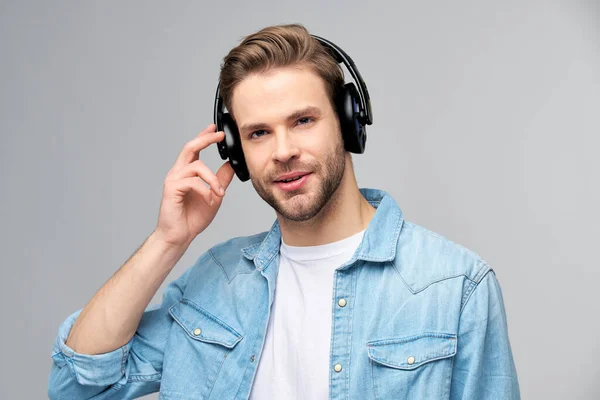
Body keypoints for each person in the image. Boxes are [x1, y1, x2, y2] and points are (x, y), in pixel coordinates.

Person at [48, 23, 520, 399]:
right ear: (236, 153)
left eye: (303, 121)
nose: (283, 151)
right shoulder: (217, 280)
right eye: (258, 133)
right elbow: (77, 385)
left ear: (349, 122)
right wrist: (167, 241)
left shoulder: (456, 286)